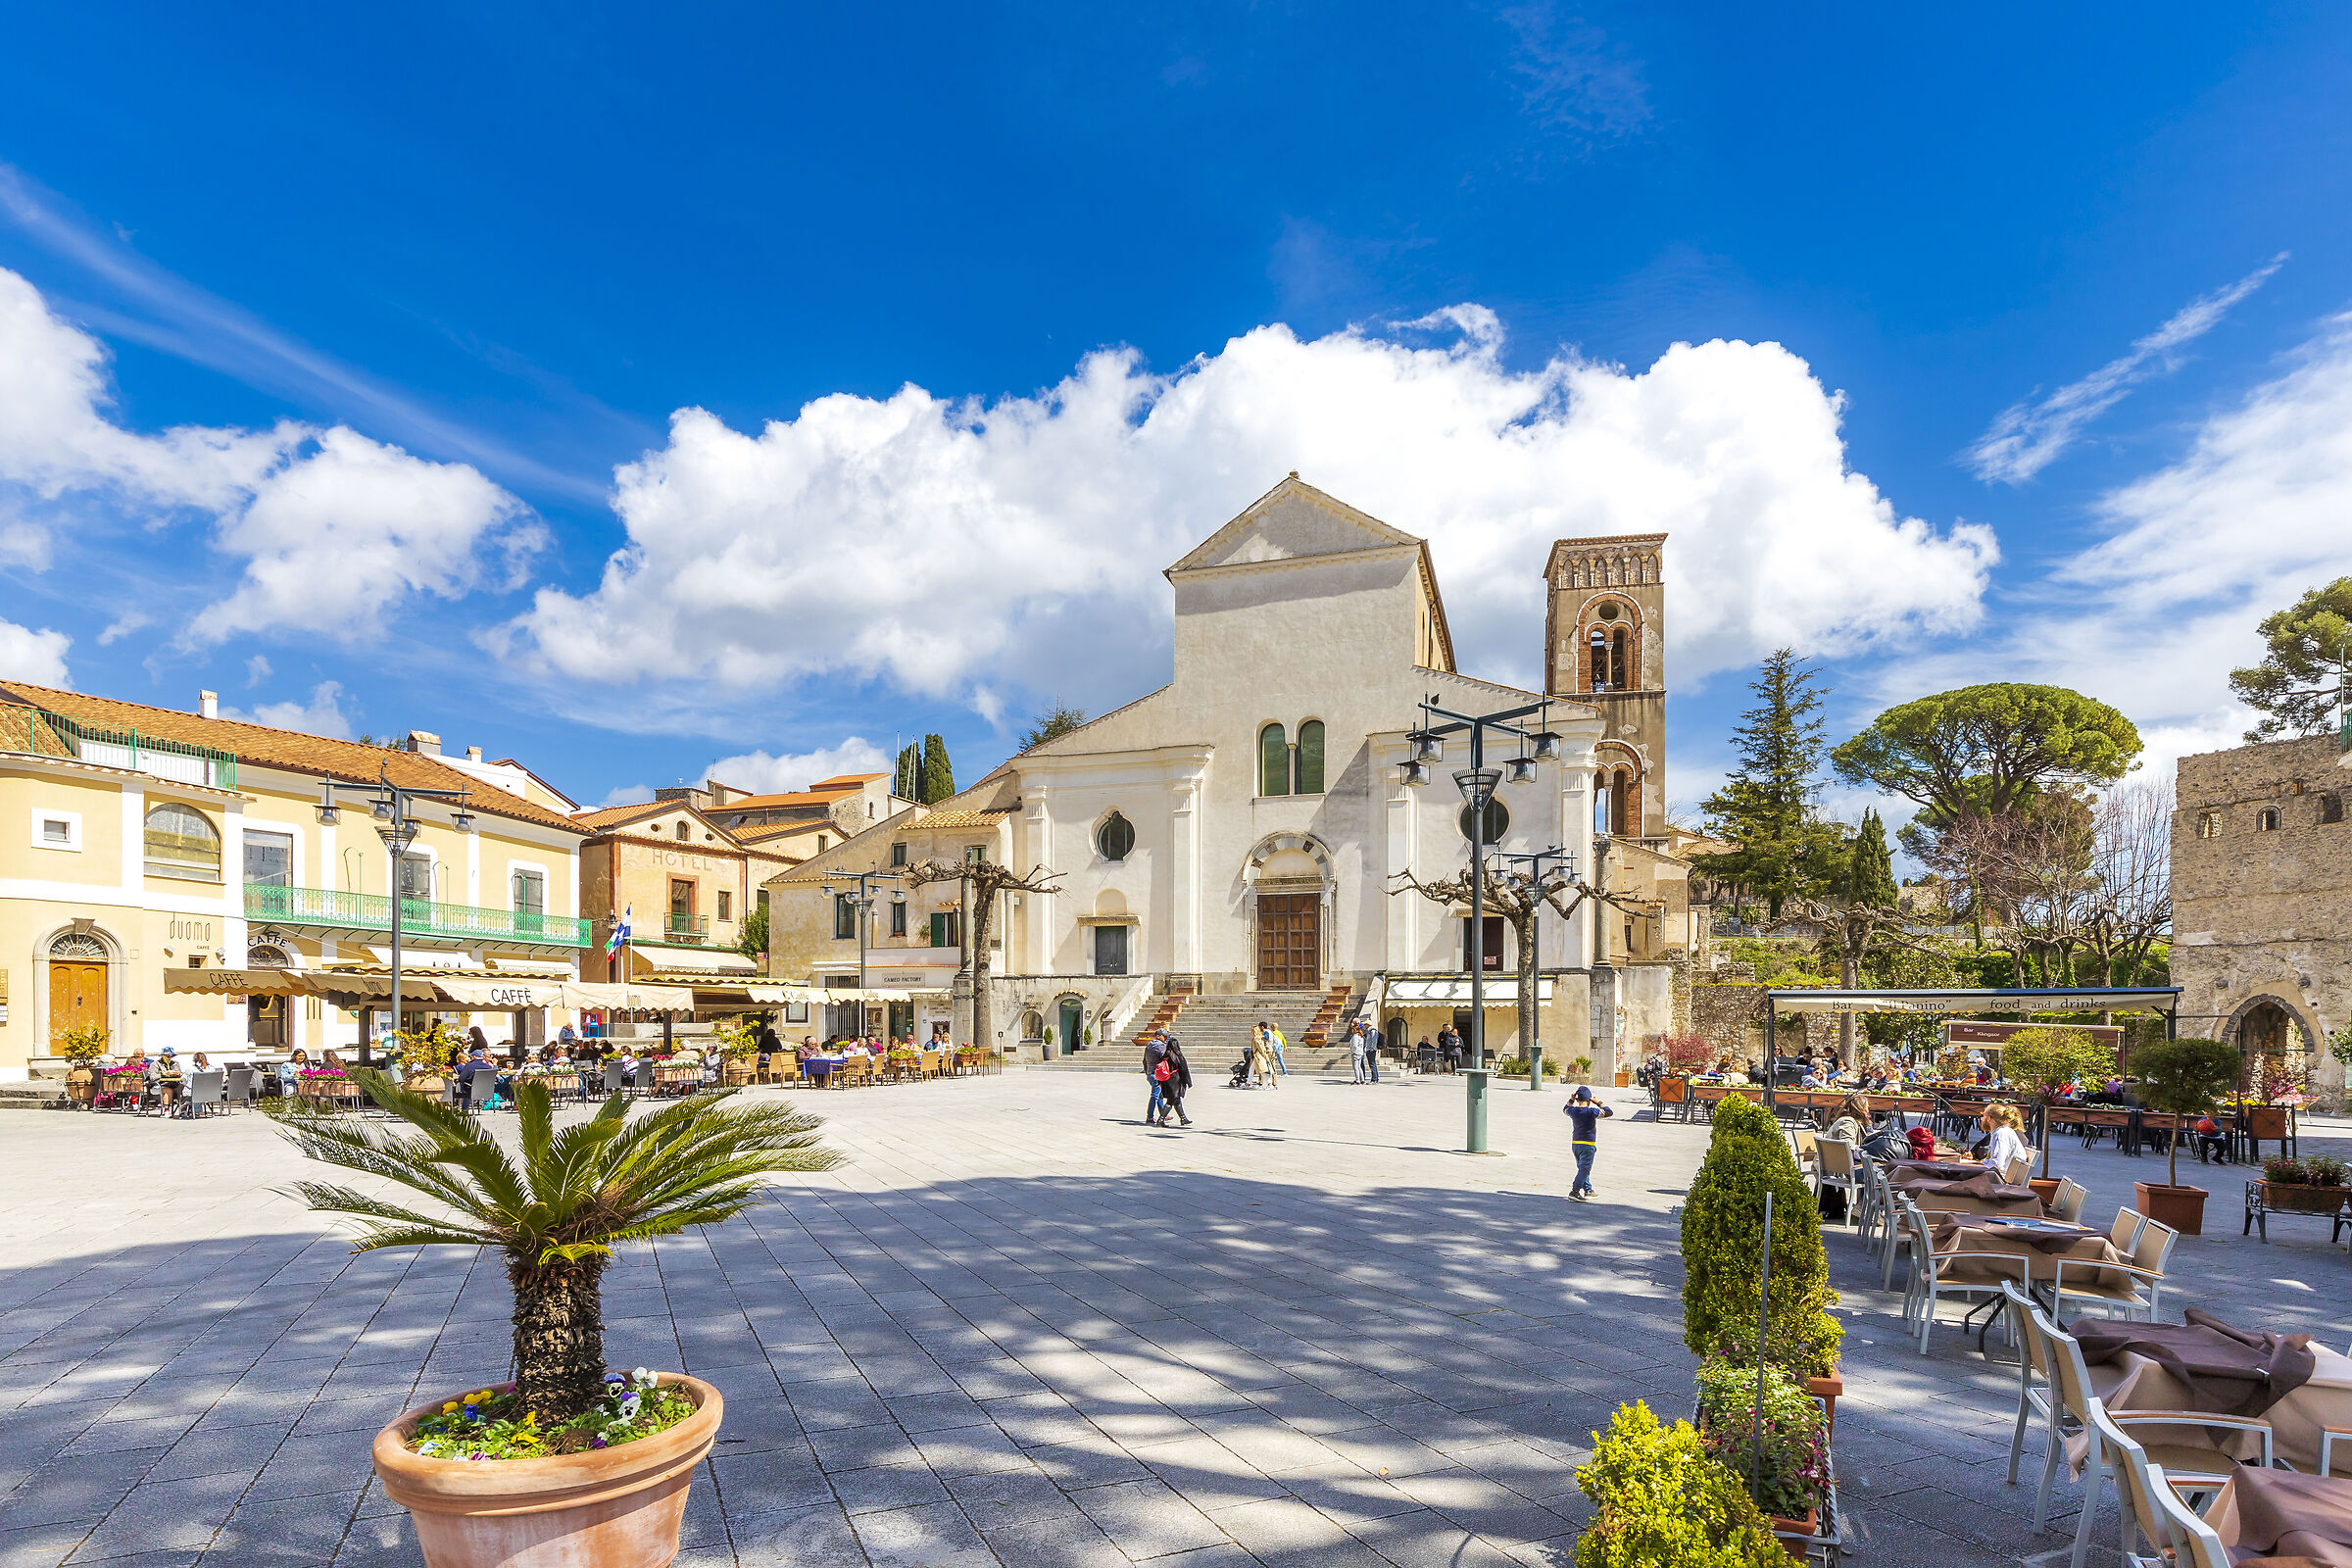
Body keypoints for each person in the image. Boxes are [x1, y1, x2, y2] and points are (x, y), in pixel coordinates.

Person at [1564, 1085, 1614, 1200]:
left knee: (1582, 1167)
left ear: (1577, 1099)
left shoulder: (1573, 1111)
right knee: (1585, 1169)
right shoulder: (1592, 1112)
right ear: (1589, 1100)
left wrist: (1571, 1100)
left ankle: (1588, 1190)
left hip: (1575, 1144)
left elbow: (1565, 1109)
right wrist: (1598, 1102)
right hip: (1588, 1144)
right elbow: (1609, 1112)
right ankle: (1574, 1191)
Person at [1980, 1103, 2031, 1174]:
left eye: (1982, 1115)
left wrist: (1975, 1168)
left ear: (1989, 1118)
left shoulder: (2001, 1134)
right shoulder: (2003, 1131)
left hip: (2001, 1178)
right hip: (2000, 1175)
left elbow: (1997, 1164)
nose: (1981, 1119)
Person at [1157, 1037, 1194, 1127]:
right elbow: (1184, 1069)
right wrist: (1188, 1081)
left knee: (1177, 1100)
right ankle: (1161, 1119)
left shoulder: (1165, 1055)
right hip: (1175, 1080)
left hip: (1167, 1079)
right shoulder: (1178, 1055)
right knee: (1171, 1100)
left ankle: (1183, 1118)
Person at [1144, 1032, 1172, 1122]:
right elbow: (1165, 1058)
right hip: (1158, 1074)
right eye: (1165, 1036)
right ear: (1159, 1036)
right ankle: (1150, 1117)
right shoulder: (1161, 1046)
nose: (1166, 1038)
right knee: (1155, 1096)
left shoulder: (1149, 1045)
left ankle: (1163, 1114)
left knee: (1160, 1095)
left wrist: (1147, 1072)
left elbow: (1144, 1060)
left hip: (1150, 1073)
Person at [1348, 1020, 1372, 1084]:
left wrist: (1352, 1052)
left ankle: (1357, 1080)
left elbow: (1354, 1046)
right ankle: (1362, 1079)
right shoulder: (1361, 1036)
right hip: (1360, 1052)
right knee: (1359, 1067)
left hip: (1356, 1053)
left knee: (1356, 1067)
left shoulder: (1355, 1036)